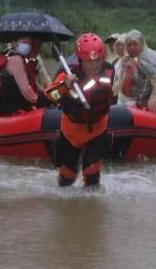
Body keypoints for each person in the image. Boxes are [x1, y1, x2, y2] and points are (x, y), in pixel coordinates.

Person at [44, 33, 115, 188]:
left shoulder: (109, 71)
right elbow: (50, 96)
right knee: (67, 178)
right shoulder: (68, 74)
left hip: (97, 128)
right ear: (81, 60)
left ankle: (91, 209)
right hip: (72, 131)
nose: (95, 65)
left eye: (98, 60)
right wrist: (65, 86)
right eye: (90, 61)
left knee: (92, 177)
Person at [0, 36, 47, 115]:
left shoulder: (2, 56)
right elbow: (27, 92)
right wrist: (43, 100)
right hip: (12, 108)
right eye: (25, 43)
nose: (27, 46)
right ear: (14, 43)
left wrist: (44, 93)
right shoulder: (16, 60)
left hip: (0, 105)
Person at [113, 29, 156, 112]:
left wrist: (152, 102)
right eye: (129, 45)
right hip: (135, 100)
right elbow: (120, 82)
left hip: (147, 102)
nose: (132, 47)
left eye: (135, 44)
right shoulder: (130, 58)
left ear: (142, 44)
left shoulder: (143, 59)